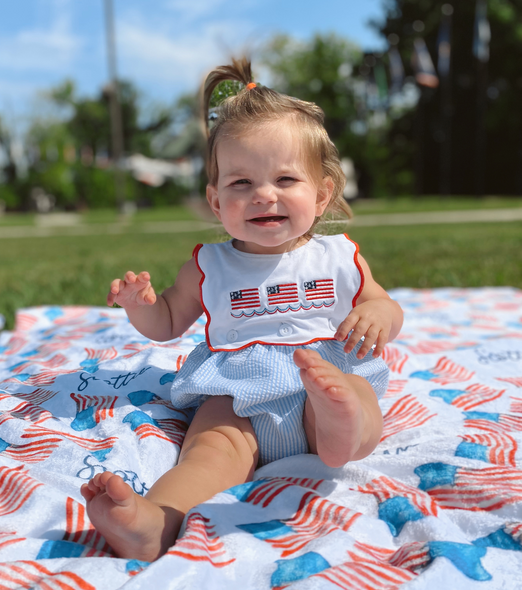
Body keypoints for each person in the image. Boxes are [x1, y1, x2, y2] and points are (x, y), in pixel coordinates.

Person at [80, 58, 404, 563]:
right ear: (215, 201)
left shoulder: (338, 256)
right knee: (210, 451)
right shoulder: (209, 266)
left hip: (324, 372)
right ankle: (154, 521)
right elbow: (166, 323)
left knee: (354, 396)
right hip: (238, 393)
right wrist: (139, 305)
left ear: (321, 195)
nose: (263, 195)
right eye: (240, 183)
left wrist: (380, 315)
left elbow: (380, 302)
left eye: (284, 179)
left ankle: (339, 431)